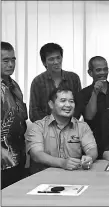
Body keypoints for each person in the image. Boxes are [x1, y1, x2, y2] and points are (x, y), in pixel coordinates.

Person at [26, 87, 98, 174]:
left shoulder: (82, 127)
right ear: (51, 104)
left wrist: (89, 157)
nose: (68, 105)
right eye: (63, 101)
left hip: (73, 176)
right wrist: (62, 163)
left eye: (71, 101)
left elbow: (92, 149)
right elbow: (37, 154)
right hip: (43, 178)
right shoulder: (38, 127)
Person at [74, 56, 109, 158]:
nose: (103, 72)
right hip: (94, 145)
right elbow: (89, 116)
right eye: (98, 70)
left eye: (105, 69)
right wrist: (95, 93)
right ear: (90, 73)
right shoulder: (83, 94)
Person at [29, 43, 82, 122]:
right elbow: (34, 112)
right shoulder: (38, 81)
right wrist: (51, 125)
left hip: (70, 129)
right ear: (44, 62)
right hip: (45, 130)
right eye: (51, 59)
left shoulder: (73, 78)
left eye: (58, 58)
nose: (56, 62)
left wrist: (66, 123)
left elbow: (79, 106)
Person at [1, 42, 28, 189]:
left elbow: (23, 116)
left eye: (13, 60)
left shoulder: (13, 85)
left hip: (18, 151)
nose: (11, 64)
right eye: (5, 60)